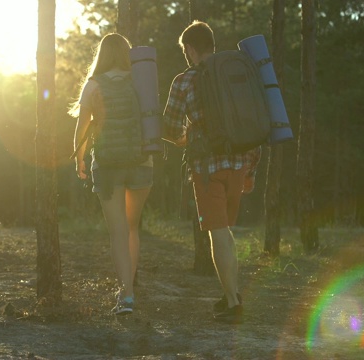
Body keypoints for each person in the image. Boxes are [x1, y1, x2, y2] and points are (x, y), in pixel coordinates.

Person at [161, 21, 261, 324]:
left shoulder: (185, 80)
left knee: (218, 235)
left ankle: (233, 303)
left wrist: (187, 137)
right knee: (226, 232)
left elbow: (169, 128)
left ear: (190, 49)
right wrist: (251, 170)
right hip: (240, 163)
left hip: (208, 170)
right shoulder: (236, 72)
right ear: (212, 45)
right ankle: (231, 293)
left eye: (186, 51)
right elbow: (253, 119)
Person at [69, 33, 153, 316]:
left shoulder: (94, 84)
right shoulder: (139, 80)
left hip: (107, 166)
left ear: (102, 55)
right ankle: (128, 289)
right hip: (141, 162)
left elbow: (82, 126)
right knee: (132, 229)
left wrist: (79, 159)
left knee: (118, 232)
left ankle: (127, 296)